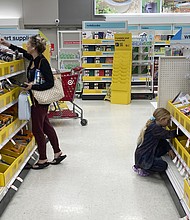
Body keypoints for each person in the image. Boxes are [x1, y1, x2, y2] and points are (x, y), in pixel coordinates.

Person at [0, 35, 67, 169]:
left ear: (34, 47)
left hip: (40, 100)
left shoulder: (42, 62)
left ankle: (43, 159)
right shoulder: (33, 58)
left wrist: (32, 86)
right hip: (37, 99)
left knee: (37, 129)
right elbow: (21, 51)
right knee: (46, 126)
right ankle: (57, 152)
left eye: (29, 44)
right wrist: (6, 44)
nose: (26, 45)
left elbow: (49, 83)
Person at [133, 107, 180, 177]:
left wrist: (169, 149)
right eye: (168, 121)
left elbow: (162, 139)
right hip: (144, 159)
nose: (168, 123)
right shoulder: (155, 128)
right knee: (163, 165)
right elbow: (168, 134)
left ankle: (143, 165)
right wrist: (180, 131)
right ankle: (143, 169)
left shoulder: (154, 125)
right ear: (162, 119)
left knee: (163, 148)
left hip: (142, 155)